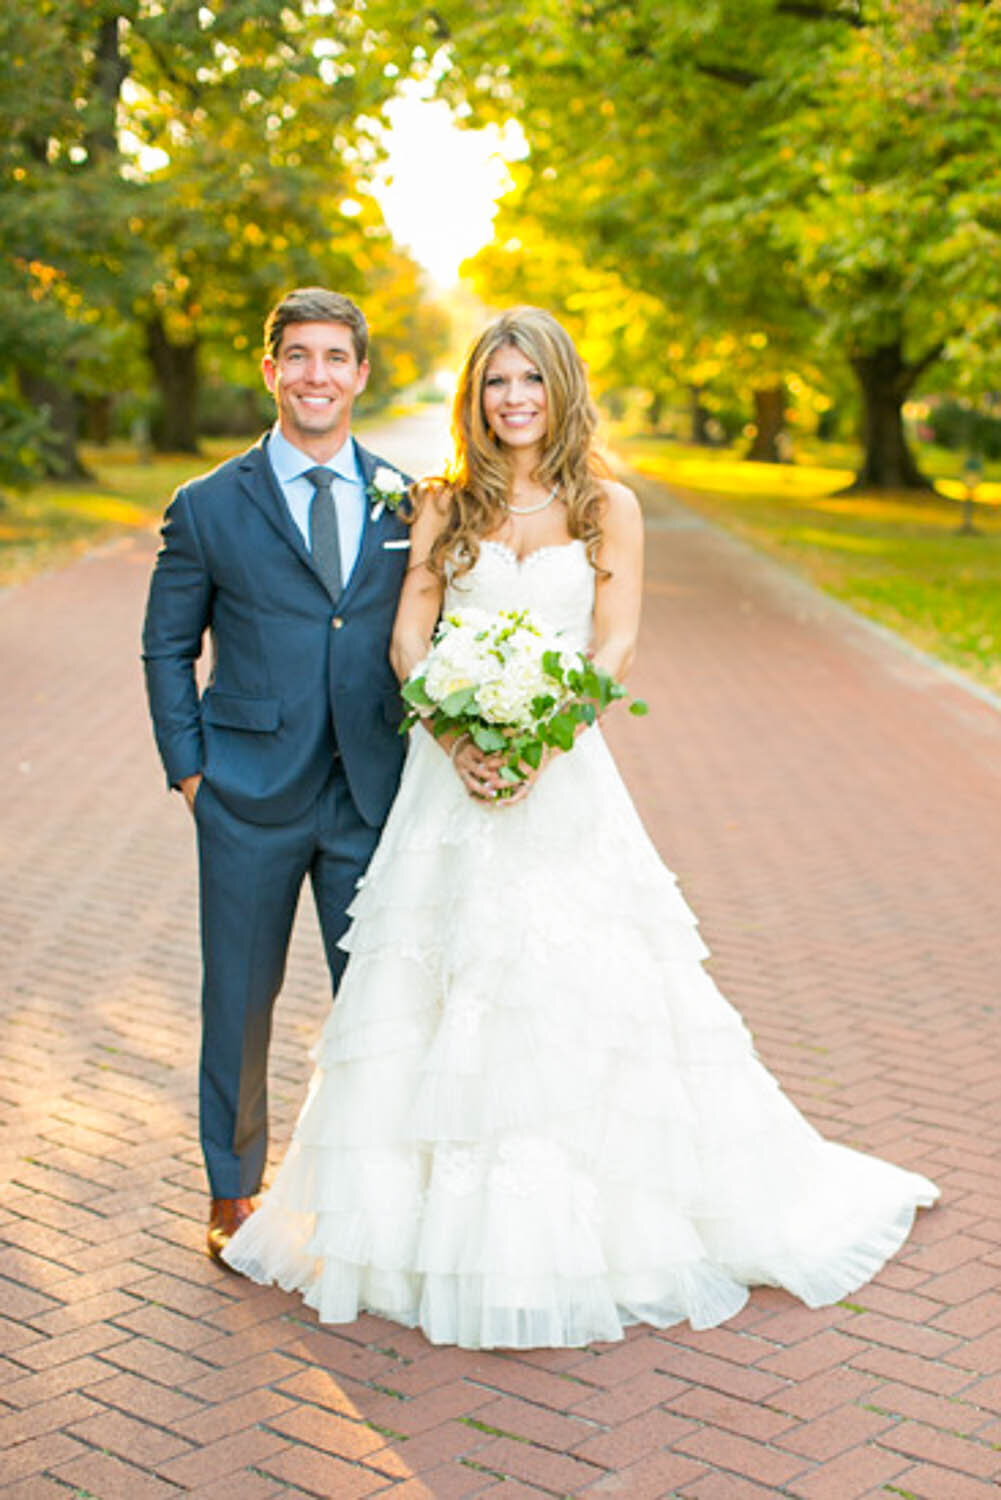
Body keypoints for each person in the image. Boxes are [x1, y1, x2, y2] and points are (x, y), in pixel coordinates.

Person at [223, 306, 938, 1349]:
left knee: (578, 992)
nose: (512, 400)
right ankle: (411, 1231)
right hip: (446, 780)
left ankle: (581, 1223)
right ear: (474, 397)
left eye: (529, 382)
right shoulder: (442, 502)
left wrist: (538, 739)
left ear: (560, 389)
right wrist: (456, 730)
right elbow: (407, 635)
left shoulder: (609, 506)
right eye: (494, 384)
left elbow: (614, 647)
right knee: (436, 984)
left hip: (560, 777)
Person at [142, 288, 413, 1264]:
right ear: (269, 371)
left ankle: (370, 1188)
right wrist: (192, 778)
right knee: (239, 1000)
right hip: (245, 798)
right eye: (296, 356)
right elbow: (166, 650)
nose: (314, 376)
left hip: (368, 799)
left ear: (359, 374)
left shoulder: (406, 500)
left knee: (377, 1002)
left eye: (333, 357)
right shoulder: (209, 505)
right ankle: (232, 1190)